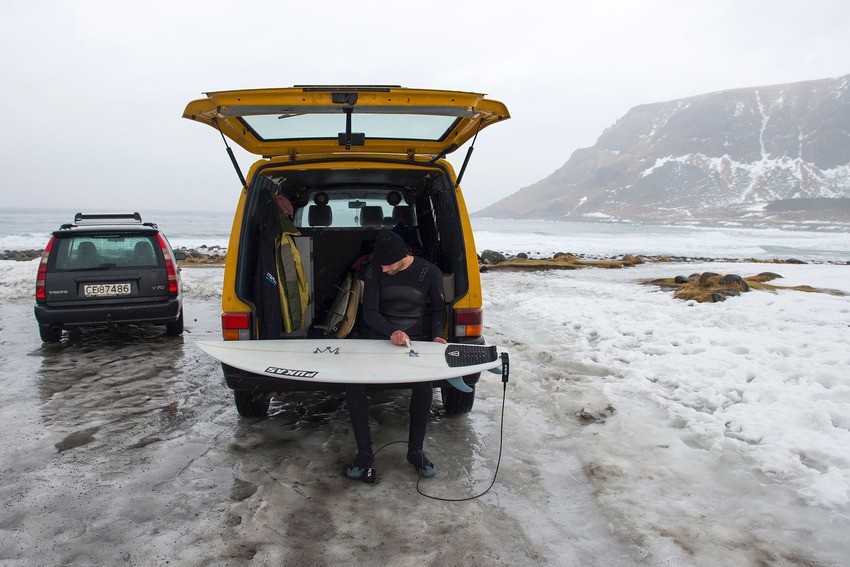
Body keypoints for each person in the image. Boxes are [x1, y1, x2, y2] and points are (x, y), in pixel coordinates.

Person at [345, 230, 447, 481]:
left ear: (403, 257)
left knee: (425, 385)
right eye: (380, 264)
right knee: (353, 384)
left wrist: (436, 336)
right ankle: (364, 453)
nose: (384, 269)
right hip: (380, 336)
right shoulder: (374, 271)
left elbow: (437, 310)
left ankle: (415, 452)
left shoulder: (428, 272)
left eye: (388, 265)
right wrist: (392, 332)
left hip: (416, 340)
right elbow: (370, 312)